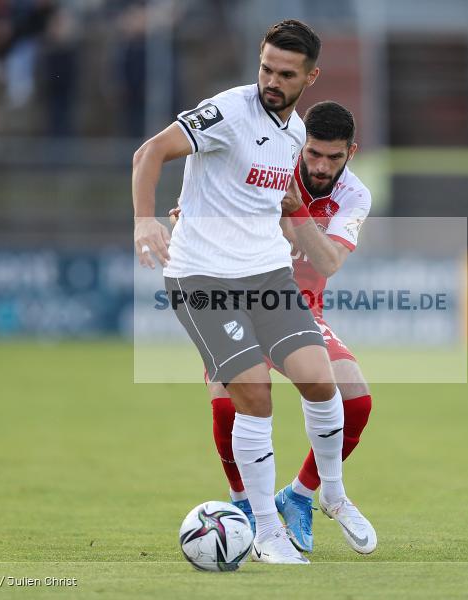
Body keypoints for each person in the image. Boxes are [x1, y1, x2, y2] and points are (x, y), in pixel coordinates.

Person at [132, 20, 376, 564]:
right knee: (254, 397)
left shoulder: (293, 136)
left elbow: (258, 198)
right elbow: (149, 152)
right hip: (205, 279)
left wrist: (231, 210)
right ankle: (265, 529)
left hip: (266, 277)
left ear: (309, 79)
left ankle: (326, 494)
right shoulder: (228, 111)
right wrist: (147, 219)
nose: (271, 79)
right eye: (266, 67)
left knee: (321, 381)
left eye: (285, 73)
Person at [172, 101, 372, 554]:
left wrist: (296, 212)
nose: (321, 166)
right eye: (313, 153)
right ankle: (242, 507)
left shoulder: (355, 197)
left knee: (356, 398)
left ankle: (301, 496)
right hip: (236, 302)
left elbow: (328, 261)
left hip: (300, 312)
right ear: (300, 144)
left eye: (333, 157)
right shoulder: (267, 165)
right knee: (229, 406)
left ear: (351, 153)